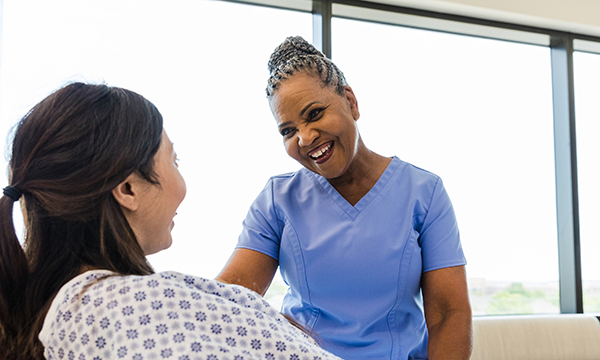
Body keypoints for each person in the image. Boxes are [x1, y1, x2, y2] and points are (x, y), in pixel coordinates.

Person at [0, 82, 341, 360]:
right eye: (174, 160)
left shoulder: (41, 315)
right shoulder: (133, 307)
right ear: (128, 188)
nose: (306, 138)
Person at [216, 36, 473, 360]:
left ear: (350, 102)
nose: (305, 138)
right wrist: (274, 327)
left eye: (314, 114)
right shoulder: (277, 201)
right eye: (287, 130)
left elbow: (449, 313)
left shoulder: (423, 192)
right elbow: (229, 300)